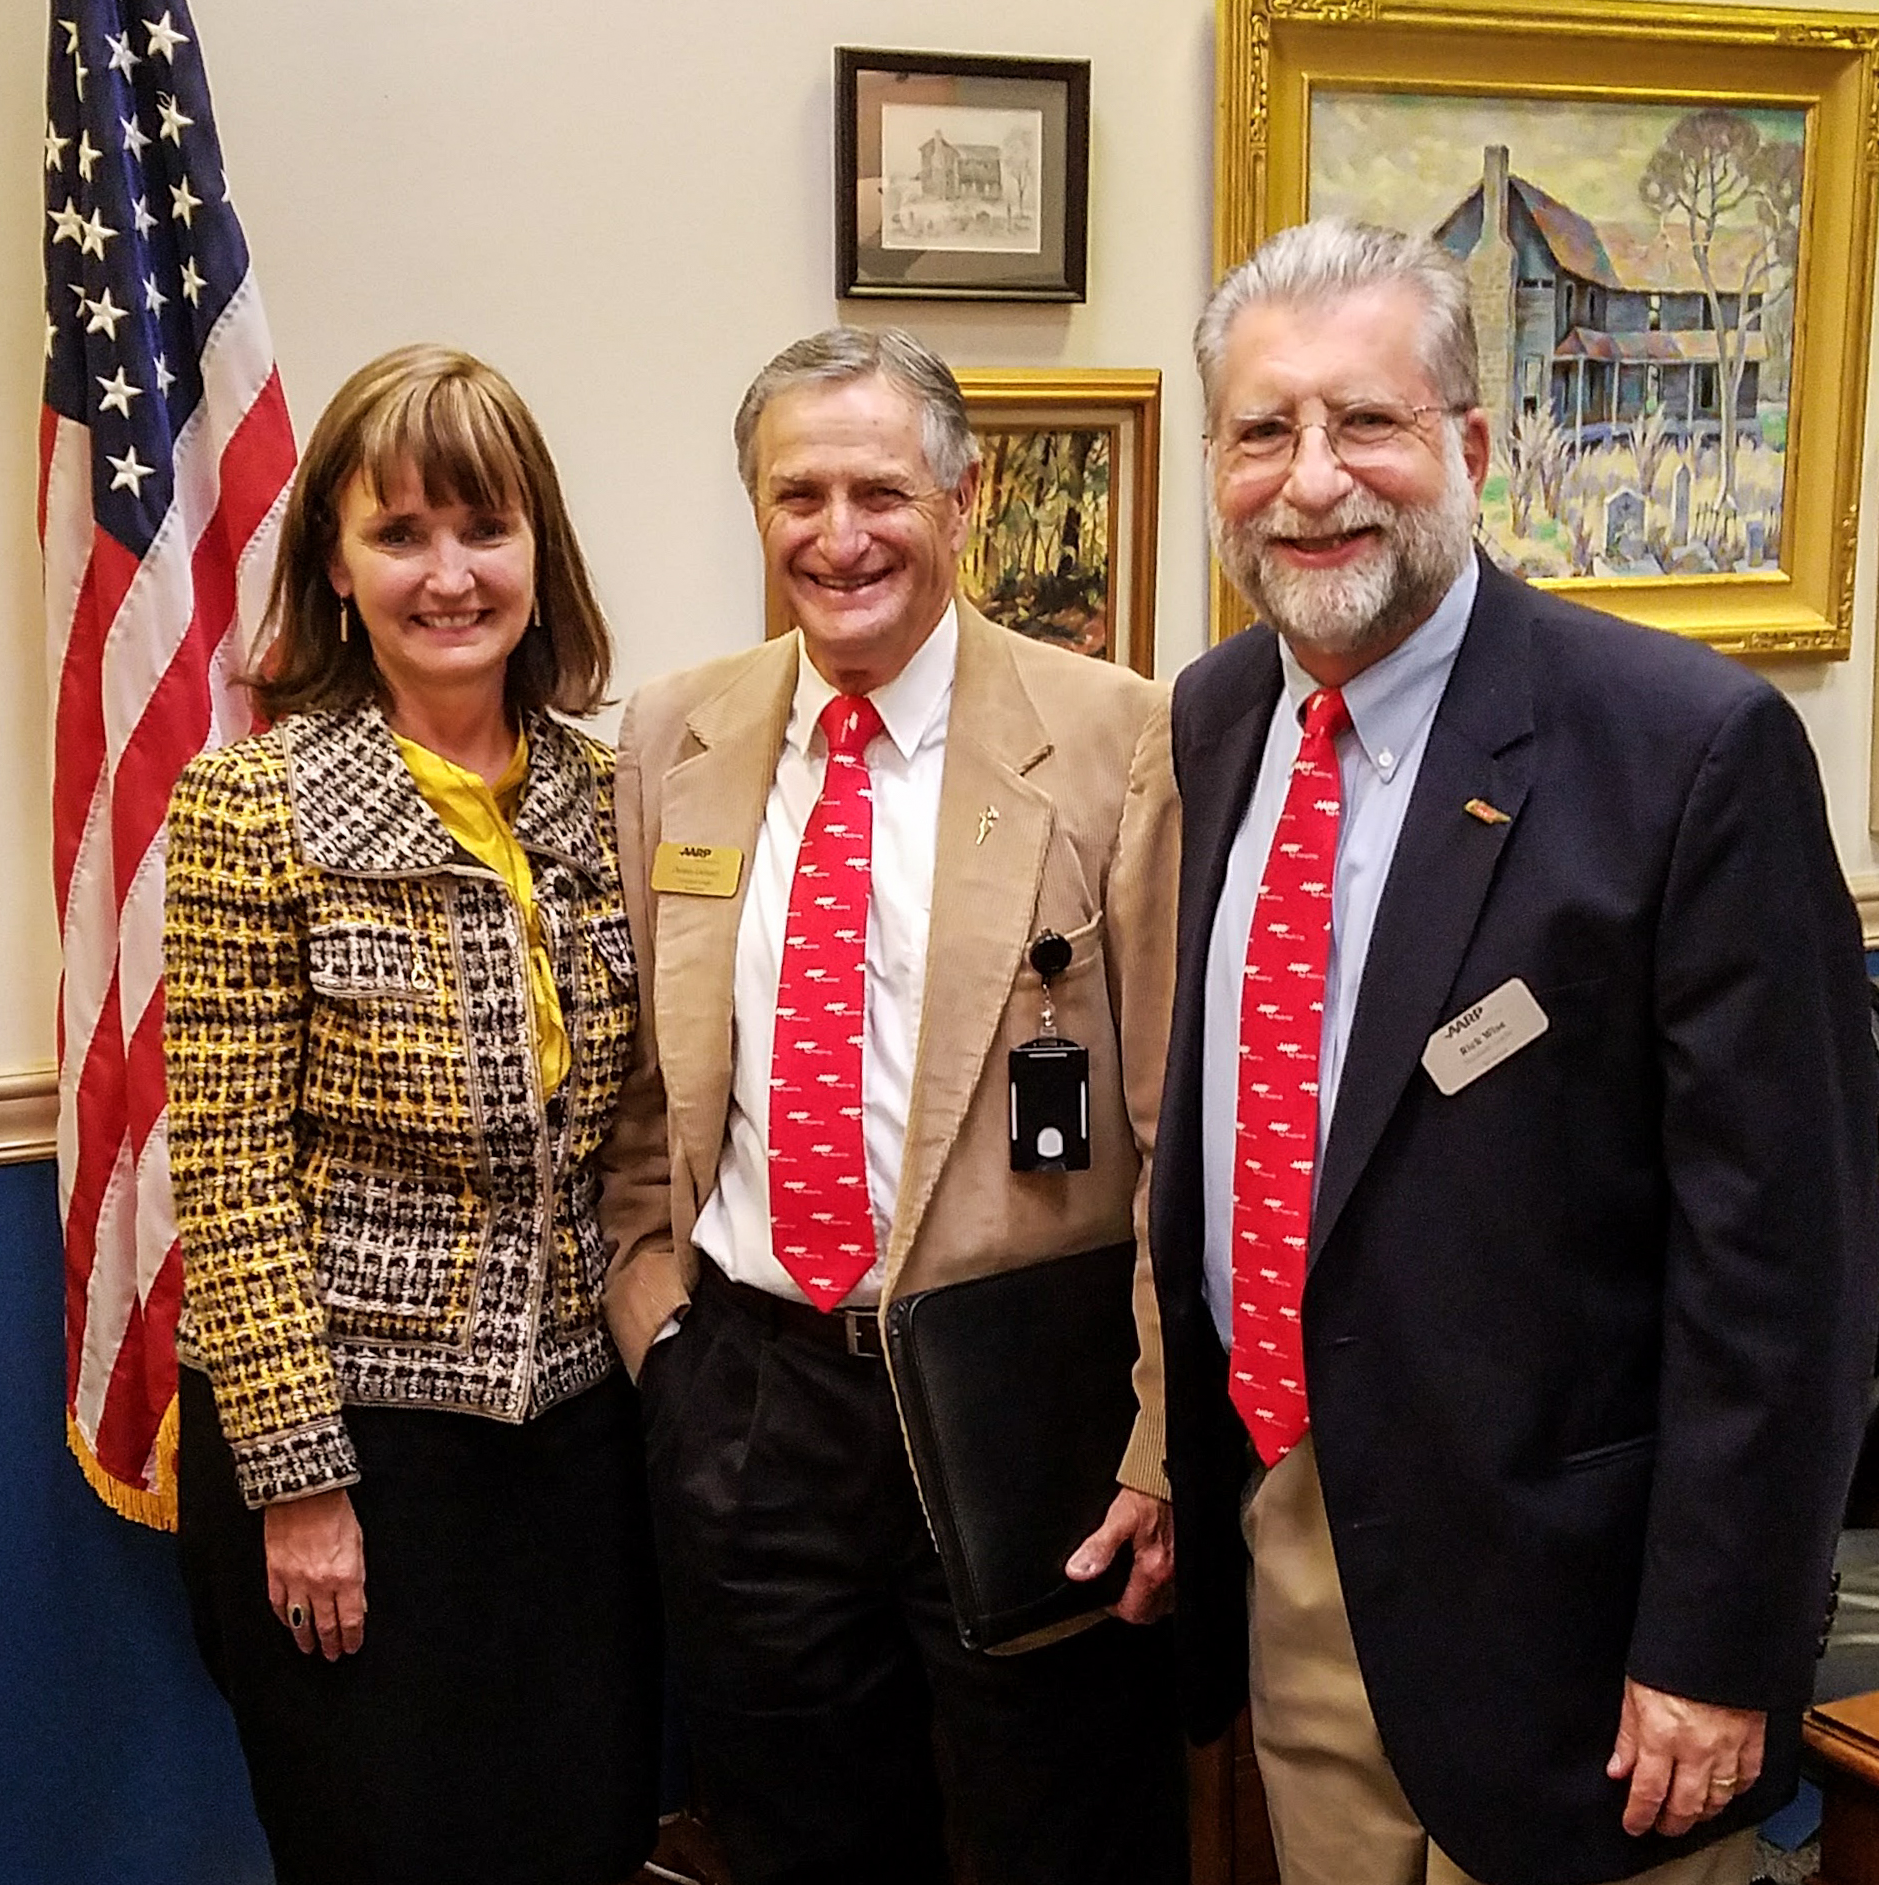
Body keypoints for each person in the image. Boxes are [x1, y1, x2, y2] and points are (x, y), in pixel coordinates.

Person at [1149, 217, 1879, 1885]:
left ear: (1470, 446)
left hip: (1584, 1636)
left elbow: (1784, 1270)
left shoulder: (1686, 752)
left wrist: (1714, 1643)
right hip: (1296, 1552)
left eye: (1368, 423)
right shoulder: (1211, 717)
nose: (1311, 478)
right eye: (1263, 431)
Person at [597, 325, 1187, 1885]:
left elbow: (1168, 1136)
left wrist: (1156, 1443)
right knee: (794, 1843)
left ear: (963, 499)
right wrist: (659, 1335)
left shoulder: (1114, 739)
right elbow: (645, 1095)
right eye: (799, 493)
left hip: (1018, 1408)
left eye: (881, 489)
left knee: (1055, 1841)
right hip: (750, 1403)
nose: (838, 533)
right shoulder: (676, 734)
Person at [164, 343, 659, 1885]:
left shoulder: (617, 789)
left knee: (583, 1836)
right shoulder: (251, 807)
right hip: (355, 1462)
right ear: (336, 562)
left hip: (582, 1448)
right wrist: (302, 1485)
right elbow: (230, 1173)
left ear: (540, 553)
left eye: (484, 529)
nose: (448, 574)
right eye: (400, 534)